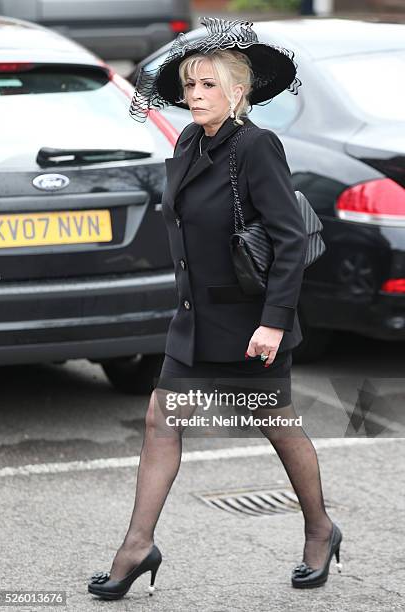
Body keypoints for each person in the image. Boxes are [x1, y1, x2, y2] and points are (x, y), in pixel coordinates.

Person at [88, 17, 342, 601]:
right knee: (161, 421)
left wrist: (274, 323)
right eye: (189, 85)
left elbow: (290, 240)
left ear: (237, 92)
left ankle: (320, 528)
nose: (195, 95)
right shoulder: (187, 141)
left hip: (250, 324)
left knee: (277, 427)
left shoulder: (256, 147)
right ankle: (136, 546)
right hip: (195, 320)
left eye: (207, 85)